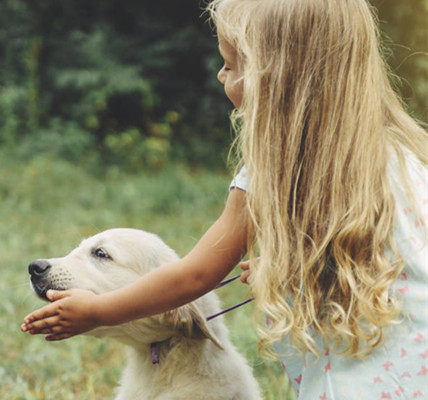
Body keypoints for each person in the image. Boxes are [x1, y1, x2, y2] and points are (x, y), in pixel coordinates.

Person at [22, 0, 428, 398]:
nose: (220, 75)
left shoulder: (270, 170)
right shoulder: (401, 158)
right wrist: (286, 267)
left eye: (231, 65)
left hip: (364, 371)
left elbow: (195, 276)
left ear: (275, 77)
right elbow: (376, 257)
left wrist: (99, 312)